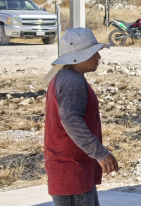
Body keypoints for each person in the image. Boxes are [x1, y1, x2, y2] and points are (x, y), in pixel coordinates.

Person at [44, 28, 116, 206]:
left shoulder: (65, 77)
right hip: (71, 173)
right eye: (94, 52)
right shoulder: (72, 82)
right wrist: (100, 153)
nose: (99, 57)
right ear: (79, 56)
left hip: (72, 172)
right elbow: (71, 121)